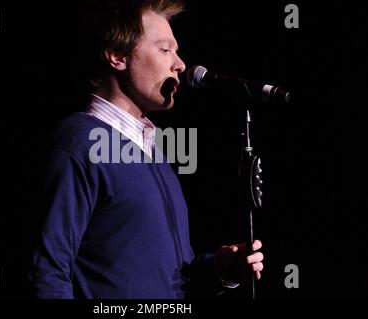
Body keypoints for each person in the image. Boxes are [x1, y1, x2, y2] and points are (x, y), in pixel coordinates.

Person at [30, 0, 263, 299]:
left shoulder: (153, 153)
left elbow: (166, 279)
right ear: (117, 55)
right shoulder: (79, 143)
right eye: (165, 49)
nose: (179, 64)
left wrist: (218, 271)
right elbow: (47, 273)